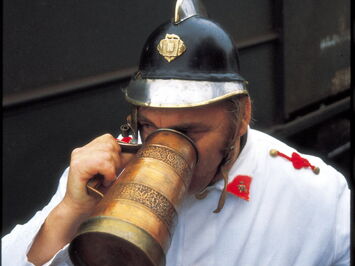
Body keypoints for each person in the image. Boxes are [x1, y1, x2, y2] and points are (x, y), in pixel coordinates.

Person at [2, 0, 350, 265]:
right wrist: (69, 211)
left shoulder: (314, 194)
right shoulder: (98, 177)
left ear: (242, 116)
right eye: (149, 126)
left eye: (189, 132)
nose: (161, 147)